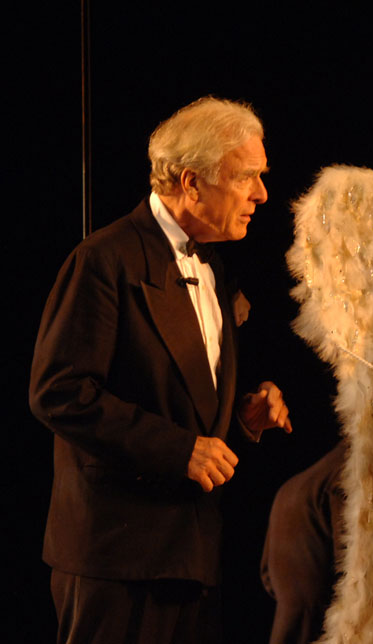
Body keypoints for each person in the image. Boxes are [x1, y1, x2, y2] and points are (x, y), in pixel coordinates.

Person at [29, 96, 292, 644]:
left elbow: (177, 394)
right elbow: (59, 392)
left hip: (191, 559)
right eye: (247, 177)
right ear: (192, 183)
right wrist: (179, 450)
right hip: (116, 560)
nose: (261, 194)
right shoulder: (105, 259)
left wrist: (241, 418)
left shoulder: (213, 265)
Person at [260, 440, 347, 644]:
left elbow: (266, 575)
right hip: (323, 630)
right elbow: (351, 568)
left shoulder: (291, 486)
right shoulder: (345, 475)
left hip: (285, 628)